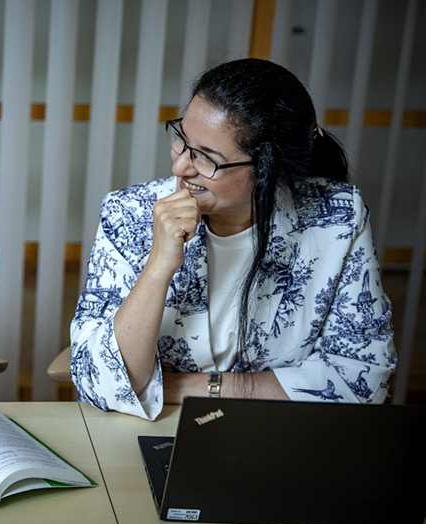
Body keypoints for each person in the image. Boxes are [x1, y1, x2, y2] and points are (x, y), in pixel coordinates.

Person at [71, 58, 396, 420]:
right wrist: (159, 267)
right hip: (153, 427)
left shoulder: (336, 217)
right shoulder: (130, 213)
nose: (180, 167)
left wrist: (189, 387)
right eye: (181, 139)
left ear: (270, 170)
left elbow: (362, 378)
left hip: (280, 433)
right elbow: (99, 381)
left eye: (207, 158)